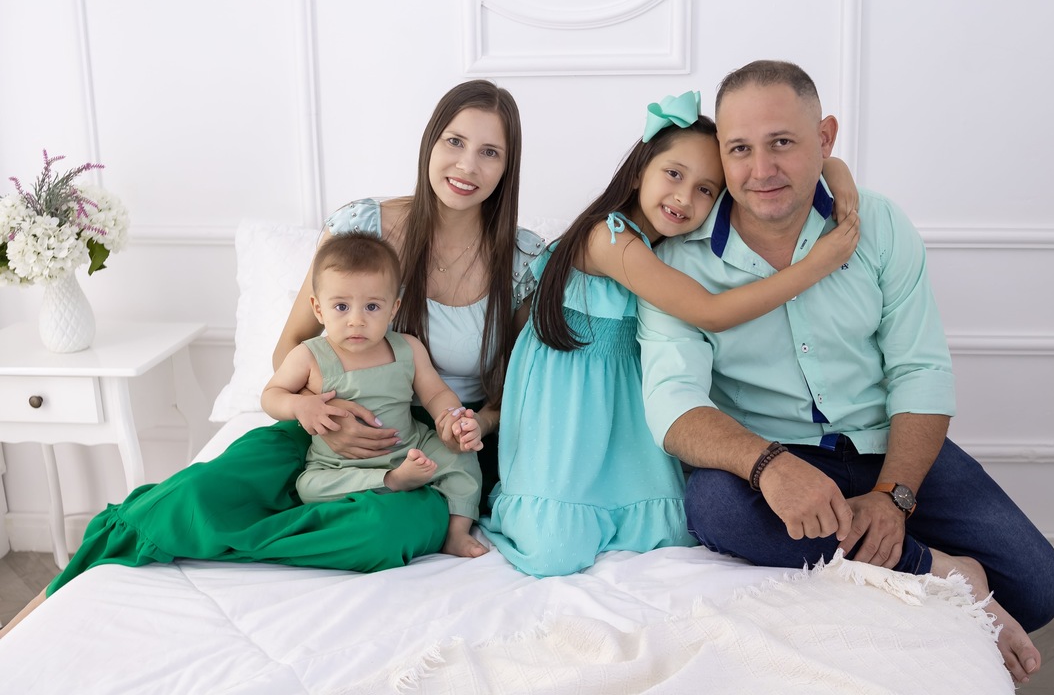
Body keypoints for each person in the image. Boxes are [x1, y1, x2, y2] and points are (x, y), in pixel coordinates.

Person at [0, 79, 542, 640]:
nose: (466, 164)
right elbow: (291, 347)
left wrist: (472, 426)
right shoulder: (364, 227)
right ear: (431, 142)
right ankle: (72, 579)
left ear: (508, 166)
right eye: (454, 142)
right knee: (195, 493)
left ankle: (241, 542)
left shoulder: (524, 261)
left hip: (425, 454)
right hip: (323, 417)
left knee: (379, 533)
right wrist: (318, 414)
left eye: (489, 151)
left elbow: (521, 391)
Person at [637, 61, 1054, 685]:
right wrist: (770, 466)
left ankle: (888, 554)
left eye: (782, 142)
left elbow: (921, 370)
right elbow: (671, 403)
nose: (762, 170)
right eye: (740, 150)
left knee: (1036, 586)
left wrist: (894, 498)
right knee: (716, 508)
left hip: (884, 445)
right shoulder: (676, 259)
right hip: (774, 459)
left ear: (825, 139)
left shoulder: (879, 224)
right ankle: (935, 571)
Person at [481, 91, 860, 577]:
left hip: (622, 411)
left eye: (706, 189)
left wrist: (837, 170)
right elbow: (709, 311)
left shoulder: (667, 253)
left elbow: (778, 173)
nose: (684, 198)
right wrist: (815, 266)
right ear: (640, 169)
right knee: (554, 550)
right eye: (674, 175)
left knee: (663, 535)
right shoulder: (608, 236)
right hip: (567, 409)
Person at [264, 231, 487, 558]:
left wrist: (452, 419)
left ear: (393, 307)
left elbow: (436, 392)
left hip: (409, 445)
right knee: (308, 486)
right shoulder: (309, 355)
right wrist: (299, 404)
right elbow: (270, 396)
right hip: (338, 463)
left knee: (461, 457)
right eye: (341, 306)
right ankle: (393, 481)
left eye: (372, 306)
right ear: (318, 308)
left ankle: (456, 531)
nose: (357, 320)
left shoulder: (406, 348)